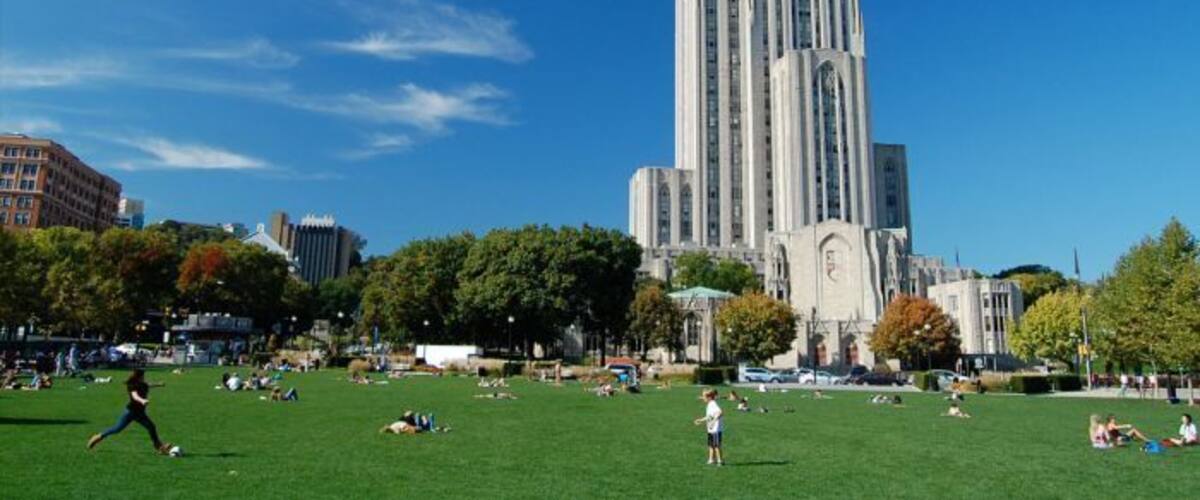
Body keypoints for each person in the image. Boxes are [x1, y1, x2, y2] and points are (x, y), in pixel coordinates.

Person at [87, 369, 171, 454]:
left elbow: (149, 385)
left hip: (140, 413)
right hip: (131, 412)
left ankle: (159, 447)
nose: (144, 377)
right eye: (143, 376)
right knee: (117, 429)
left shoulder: (143, 384)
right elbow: (135, 396)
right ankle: (98, 436)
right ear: (139, 377)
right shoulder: (132, 385)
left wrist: (159, 384)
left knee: (151, 427)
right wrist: (142, 400)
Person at [693, 389, 724, 466]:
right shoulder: (710, 404)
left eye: (704, 397)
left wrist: (713, 422)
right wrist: (701, 420)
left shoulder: (713, 404)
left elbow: (720, 412)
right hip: (711, 430)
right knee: (711, 445)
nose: (703, 398)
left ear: (709, 397)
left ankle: (720, 461)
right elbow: (709, 416)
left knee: (716, 446)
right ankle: (711, 460)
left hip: (716, 430)